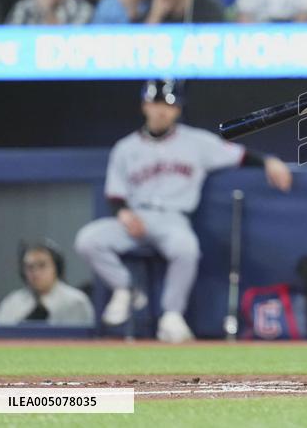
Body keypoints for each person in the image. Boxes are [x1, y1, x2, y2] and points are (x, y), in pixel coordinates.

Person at [75, 80, 292, 342]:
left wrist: (268, 161)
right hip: (135, 217)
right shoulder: (126, 148)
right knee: (88, 240)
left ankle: (172, 316)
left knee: (186, 248)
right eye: (155, 104)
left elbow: (240, 155)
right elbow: (115, 193)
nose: (161, 111)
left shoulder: (196, 142)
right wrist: (123, 214)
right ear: (145, 106)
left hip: (172, 219)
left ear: (177, 110)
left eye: (168, 105)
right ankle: (126, 288)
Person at [0, 241, 94, 327]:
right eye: (30, 267)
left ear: (56, 268)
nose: (35, 273)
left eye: (42, 265)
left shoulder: (76, 302)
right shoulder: (12, 302)